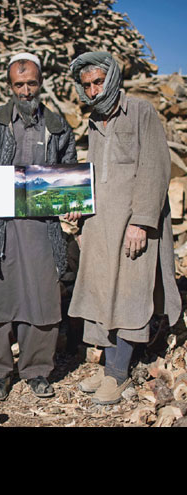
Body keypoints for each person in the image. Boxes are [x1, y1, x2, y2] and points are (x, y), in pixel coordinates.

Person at [68, 51, 182, 405]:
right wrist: (83, 218)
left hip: (132, 223)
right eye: (87, 85)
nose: (93, 90)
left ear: (113, 78)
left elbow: (155, 168)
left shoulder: (141, 112)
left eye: (98, 82)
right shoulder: (94, 120)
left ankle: (117, 376)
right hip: (102, 224)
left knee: (130, 294)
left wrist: (142, 222)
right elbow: (93, 174)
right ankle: (107, 371)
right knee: (104, 293)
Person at [0, 53, 78, 400]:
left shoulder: (57, 126)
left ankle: (37, 370)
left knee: (42, 299)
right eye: (19, 84)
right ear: (9, 85)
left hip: (41, 228)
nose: (26, 91)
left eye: (31, 84)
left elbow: (69, 174)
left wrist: (72, 206)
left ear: (41, 83)